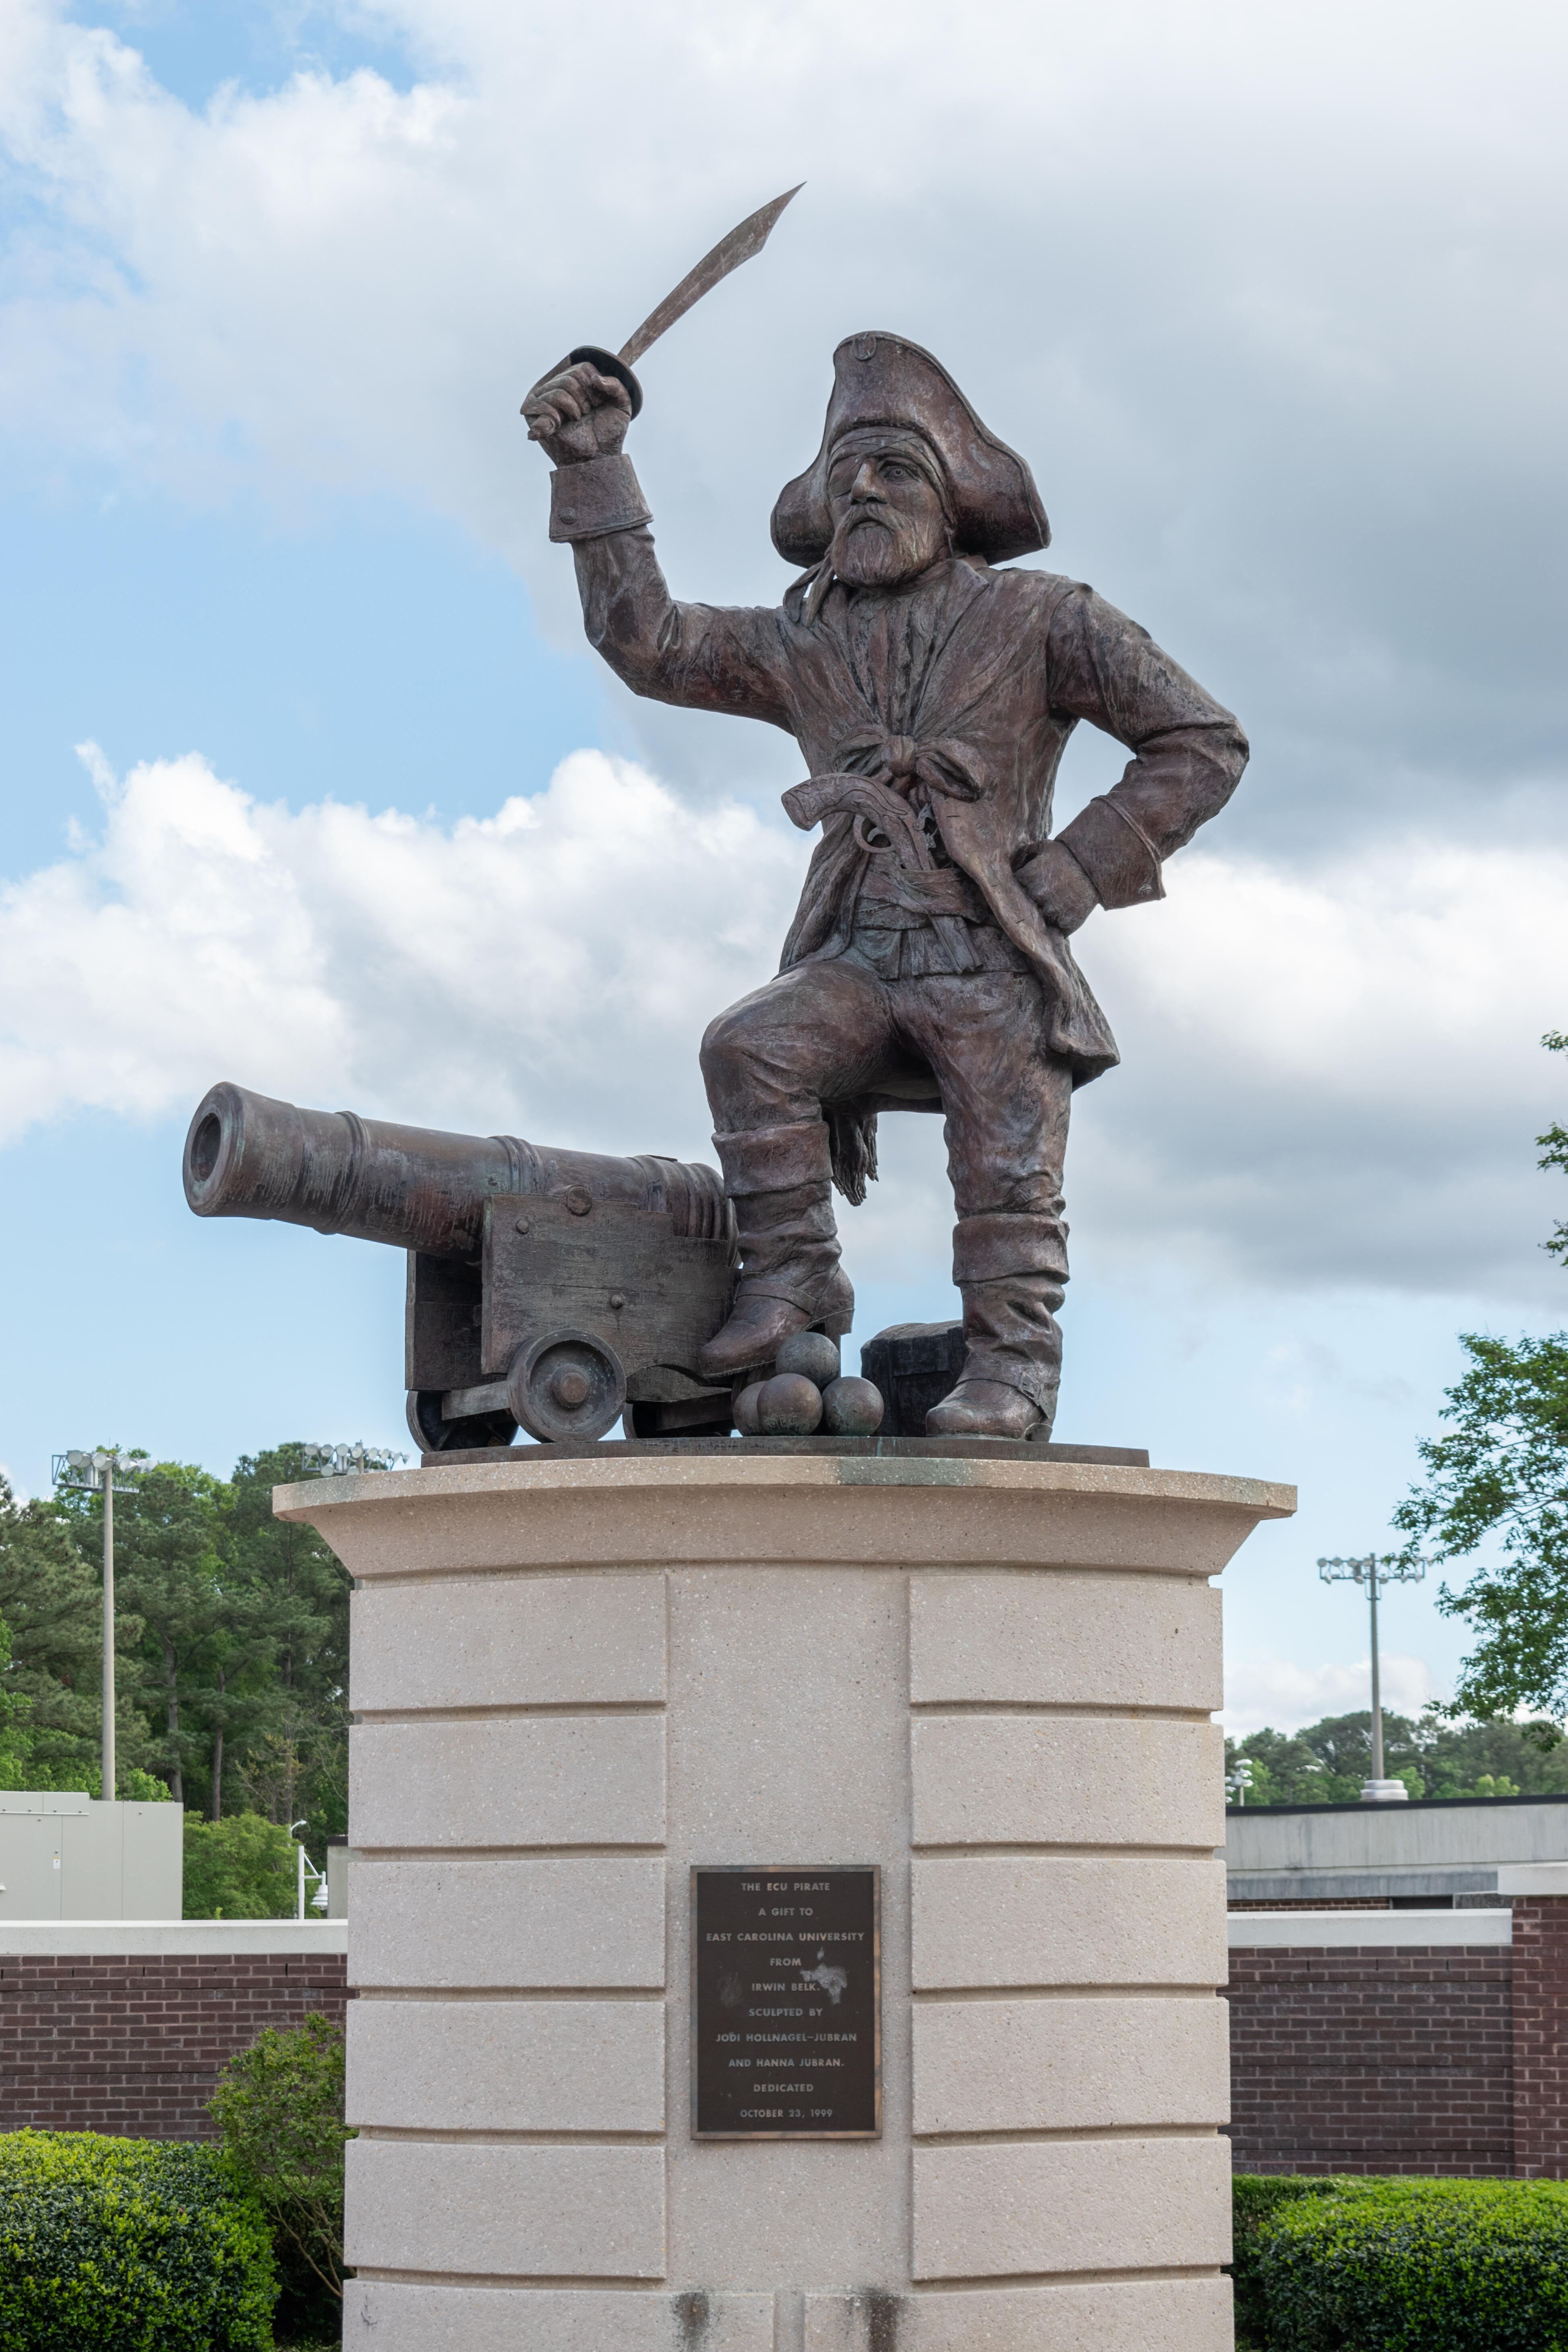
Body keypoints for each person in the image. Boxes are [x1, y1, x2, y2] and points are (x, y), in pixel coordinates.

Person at [525, 332, 1247, 1438]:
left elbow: (1200, 740)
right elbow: (649, 641)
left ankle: (1011, 1371)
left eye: (895, 469)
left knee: (1008, 1165)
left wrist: (1081, 866)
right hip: (857, 955)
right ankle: (795, 1276)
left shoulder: (1043, 616)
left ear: (952, 501)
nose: (862, 489)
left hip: (991, 958)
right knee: (749, 1046)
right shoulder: (800, 636)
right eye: (844, 473)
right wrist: (594, 467)